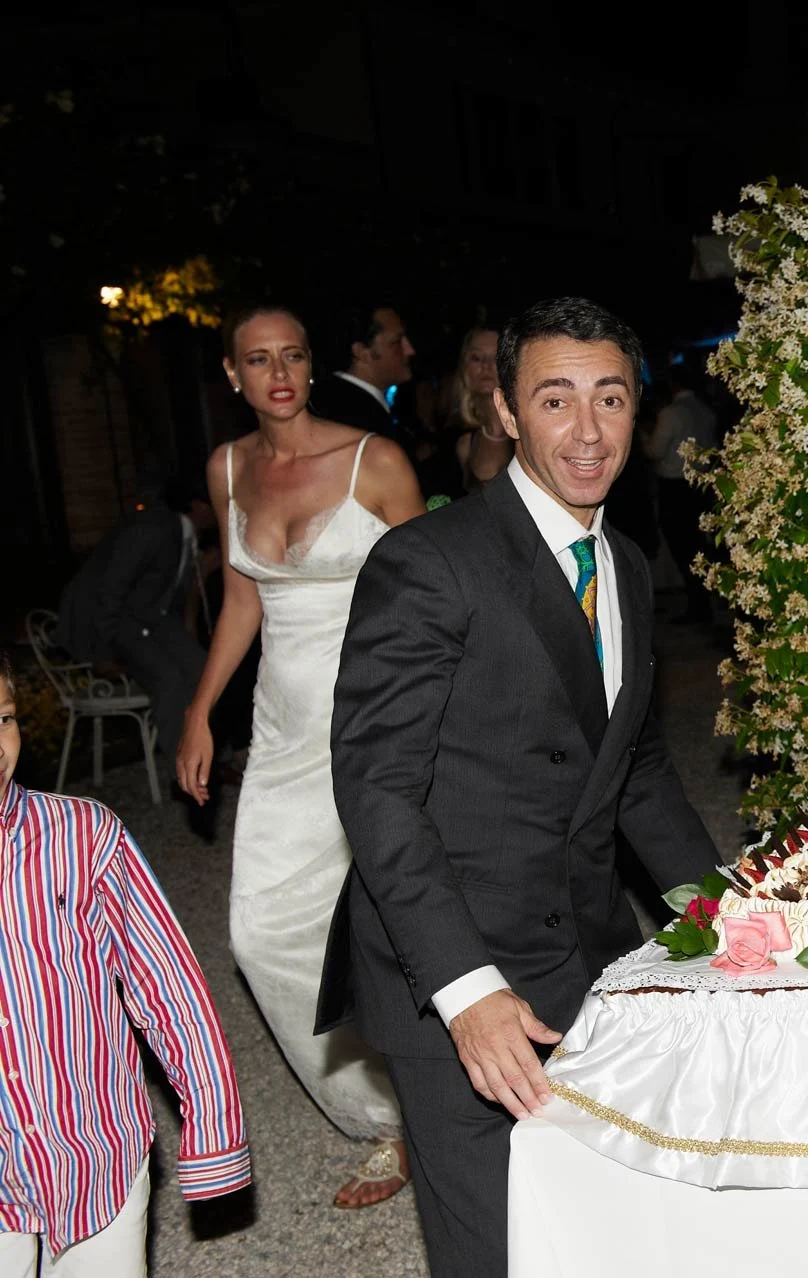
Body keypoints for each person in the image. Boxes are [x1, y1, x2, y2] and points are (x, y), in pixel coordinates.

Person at [323, 297, 721, 1276]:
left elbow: (631, 764)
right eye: (555, 399)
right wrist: (466, 994)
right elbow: (376, 787)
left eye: (610, 399)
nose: (586, 431)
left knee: (601, 1217)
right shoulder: (429, 562)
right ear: (505, 411)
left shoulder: (624, 566)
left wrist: (717, 907)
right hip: (448, 958)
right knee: (491, 1249)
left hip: (581, 948)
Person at [174, 303, 427, 1209]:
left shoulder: (376, 461)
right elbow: (243, 601)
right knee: (258, 933)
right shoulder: (229, 466)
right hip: (283, 732)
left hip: (374, 719)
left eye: (291, 355)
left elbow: (431, 595)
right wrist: (202, 712)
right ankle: (381, 1110)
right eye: (257, 359)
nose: (277, 372)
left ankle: (430, 1111)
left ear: (311, 367)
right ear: (234, 377)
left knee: (385, 922)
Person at [0, 651, 252, 1275]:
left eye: (2, 718)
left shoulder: (82, 838)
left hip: (96, 1156)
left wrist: (212, 1133)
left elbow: (169, 987)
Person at [53, 476, 216, 809]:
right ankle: (183, 769)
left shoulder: (185, 535)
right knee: (169, 681)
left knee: (205, 668)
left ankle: (217, 756)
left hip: (147, 620)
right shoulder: (154, 528)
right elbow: (110, 590)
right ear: (199, 506)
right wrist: (103, 651)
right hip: (109, 624)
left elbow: (174, 598)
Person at [643, 360, 721, 623]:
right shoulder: (705, 410)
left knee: (683, 547)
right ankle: (704, 601)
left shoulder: (671, 413)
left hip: (675, 487)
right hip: (700, 485)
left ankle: (698, 605)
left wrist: (642, 436)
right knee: (699, 545)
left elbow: (655, 451)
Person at [307, 303, 417, 448]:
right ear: (361, 352)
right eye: (396, 342)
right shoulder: (357, 420)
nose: (410, 350)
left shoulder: (330, 401)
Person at [442, 326, 514, 490]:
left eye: (495, 357)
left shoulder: (528, 431)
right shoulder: (459, 441)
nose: (486, 366)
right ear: (465, 368)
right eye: (476, 358)